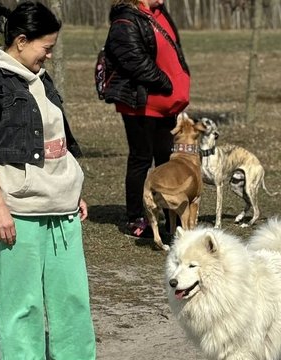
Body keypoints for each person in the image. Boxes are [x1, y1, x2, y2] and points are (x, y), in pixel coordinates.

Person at [0, 1, 96, 358]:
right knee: (22, 307)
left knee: (73, 301)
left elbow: (55, 142)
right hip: (17, 213)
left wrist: (72, 189)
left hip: (61, 209)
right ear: (21, 41)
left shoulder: (40, 78)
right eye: (45, 48)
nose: (48, 56)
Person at [103, 0, 190, 237]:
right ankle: (136, 217)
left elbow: (174, 49)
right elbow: (134, 62)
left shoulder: (159, 14)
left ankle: (168, 213)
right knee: (141, 158)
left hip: (164, 103)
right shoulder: (125, 20)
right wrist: (165, 83)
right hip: (139, 103)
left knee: (166, 157)